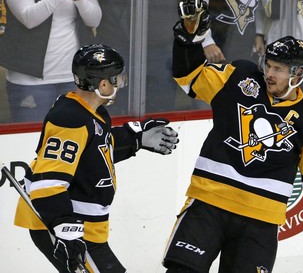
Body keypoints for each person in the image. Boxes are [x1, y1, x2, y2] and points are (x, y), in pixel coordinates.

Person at [163, 0, 303, 273]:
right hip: (208, 204)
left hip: (260, 220)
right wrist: (188, 39)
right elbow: (188, 78)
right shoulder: (239, 78)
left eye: (278, 69)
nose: (269, 74)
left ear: (298, 74)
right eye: (268, 65)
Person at [13, 44, 179, 273]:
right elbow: (48, 182)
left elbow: (94, 152)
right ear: (102, 84)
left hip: (89, 227)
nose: (119, 84)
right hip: (69, 225)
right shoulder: (69, 118)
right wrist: (65, 230)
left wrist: (136, 139)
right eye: (117, 78)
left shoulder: (91, 111)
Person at [0, 0, 101, 123]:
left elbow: (94, 20)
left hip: (73, 77)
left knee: (74, 138)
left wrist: (80, 0)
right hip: (31, 81)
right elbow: (27, 18)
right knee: (32, 139)